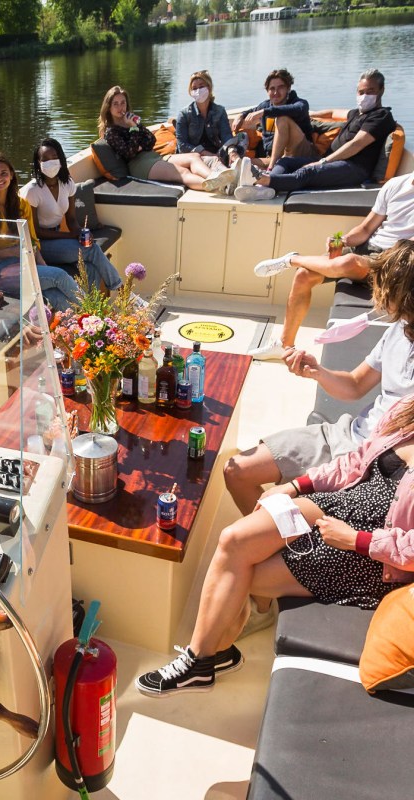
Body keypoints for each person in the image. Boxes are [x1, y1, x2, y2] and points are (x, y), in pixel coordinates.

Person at [136, 391, 414, 697]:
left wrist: (355, 540)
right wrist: (294, 486)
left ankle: (202, 660)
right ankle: (211, 656)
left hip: (373, 556)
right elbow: (356, 462)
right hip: (339, 504)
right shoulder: (408, 408)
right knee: (234, 540)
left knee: (246, 576)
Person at [224, 240, 414, 516]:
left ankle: (280, 537)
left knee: (261, 525)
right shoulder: (397, 329)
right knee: (237, 471)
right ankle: (283, 537)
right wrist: (317, 372)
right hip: (347, 434)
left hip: (381, 462)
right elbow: (355, 385)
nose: (379, 295)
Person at [248, 170, 414, 360]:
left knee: (349, 262)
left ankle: (292, 259)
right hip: (367, 248)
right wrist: (343, 241)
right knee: (303, 275)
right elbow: (366, 228)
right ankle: (284, 345)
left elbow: (408, 249)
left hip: (396, 261)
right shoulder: (395, 185)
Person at [236, 69, 396, 202]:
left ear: (381, 90)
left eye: (370, 91)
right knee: (286, 161)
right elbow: (332, 113)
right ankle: (264, 187)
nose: (364, 96)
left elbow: (357, 144)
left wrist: (323, 161)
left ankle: (262, 180)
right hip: (332, 160)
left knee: (307, 172)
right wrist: (312, 114)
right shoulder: (356, 113)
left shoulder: (380, 116)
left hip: (354, 167)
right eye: (361, 92)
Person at [0, 151, 81, 312]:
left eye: (3, 173)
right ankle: (94, 313)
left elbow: (32, 241)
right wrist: (11, 251)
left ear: (11, 175)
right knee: (60, 276)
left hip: (25, 263)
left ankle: (82, 324)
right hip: (2, 271)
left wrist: (43, 266)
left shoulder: (21, 204)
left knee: (56, 296)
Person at [20, 137, 124, 295]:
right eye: (45, 159)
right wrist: (70, 236)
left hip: (59, 238)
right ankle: (121, 289)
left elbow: (71, 220)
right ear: (38, 163)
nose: (50, 162)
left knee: (91, 267)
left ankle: (91, 306)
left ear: (61, 159)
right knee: (92, 250)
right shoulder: (33, 191)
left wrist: (81, 232)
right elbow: (37, 232)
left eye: (54, 157)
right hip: (41, 245)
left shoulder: (67, 184)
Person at [98, 85, 237, 193]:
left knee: (194, 157)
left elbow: (151, 140)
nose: (120, 107)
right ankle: (218, 187)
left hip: (153, 156)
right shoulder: (112, 132)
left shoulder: (131, 121)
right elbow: (130, 153)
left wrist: (136, 131)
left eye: (122, 103)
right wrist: (134, 130)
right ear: (108, 107)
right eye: (115, 104)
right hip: (139, 165)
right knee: (183, 173)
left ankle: (216, 178)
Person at [232, 68, 316, 173]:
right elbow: (250, 111)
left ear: (288, 88)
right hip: (275, 158)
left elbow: (297, 109)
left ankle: (271, 169)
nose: (276, 92)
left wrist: (264, 112)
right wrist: (240, 116)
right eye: (272, 88)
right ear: (267, 91)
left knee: (282, 119)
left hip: (301, 154)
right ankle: (269, 170)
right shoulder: (265, 106)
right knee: (243, 164)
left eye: (281, 87)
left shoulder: (299, 104)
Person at [175, 70, 233, 167]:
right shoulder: (184, 114)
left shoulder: (220, 111)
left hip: (217, 153)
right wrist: (207, 154)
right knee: (214, 162)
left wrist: (232, 152)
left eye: (201, 86)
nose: (198, 91)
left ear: (209, 88)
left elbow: (226, 136)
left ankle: (242, 166)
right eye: (194, 88)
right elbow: (182, 145)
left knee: (242, 138)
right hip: (194, 156)